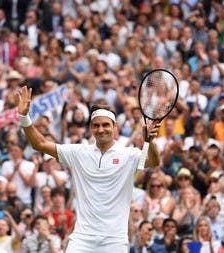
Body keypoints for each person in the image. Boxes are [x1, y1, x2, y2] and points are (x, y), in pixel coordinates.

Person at [15, 86, 160, 253]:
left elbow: (152, 162)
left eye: (106, 125)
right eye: (96, 126)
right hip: (82, 238)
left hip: (114, 240)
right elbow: (39, 144)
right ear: (91, 128)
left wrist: (150, 142)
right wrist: (24, 117)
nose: (101, 129)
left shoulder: (129, 155)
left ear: (115, 126)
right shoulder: (78, 153)